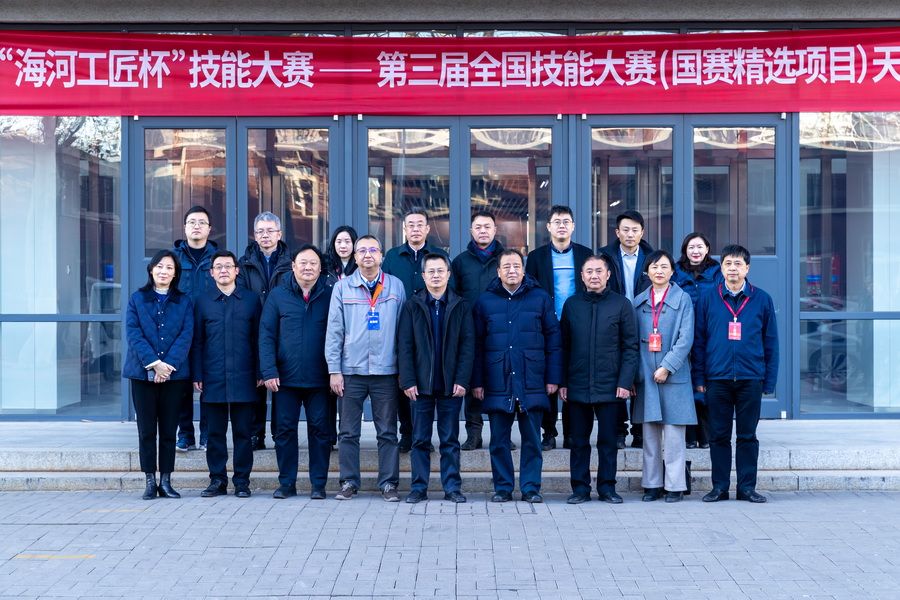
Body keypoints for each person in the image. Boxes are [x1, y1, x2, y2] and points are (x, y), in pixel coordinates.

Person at [472, 250, 562, 503]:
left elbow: (554, 340)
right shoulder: (485, 301)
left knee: (532, 439)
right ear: (498, 271)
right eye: (506, 267)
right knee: (498, 441)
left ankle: (531, 488)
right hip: (497, 379)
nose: (512, 271)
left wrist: (553, 377)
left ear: (523, 271)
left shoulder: (540, 298)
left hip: (532, 378)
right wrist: (477, 381)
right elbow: (476, 345)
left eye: (516, 266)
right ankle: (503, 488)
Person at [693, 244, 778, 504]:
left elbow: (771, 342)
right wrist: (699, 379)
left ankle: (746, 488)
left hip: (750, 378)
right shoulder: (708, 298)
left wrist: (769, 381)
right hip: (717, 379)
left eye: (738, 264)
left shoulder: (762, 299)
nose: (733, 268)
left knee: (747, 436)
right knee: (718, 436)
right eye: (728, 263)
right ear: (721, 268)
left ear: (747, 268)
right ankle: (719, 487)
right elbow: (699, 341)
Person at [326, 235, 406, 502]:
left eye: (373, 250)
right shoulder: (342, 288)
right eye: (362, 251)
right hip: (351, 371)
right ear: (355, 257)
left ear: (381, 255)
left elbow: (403, 332)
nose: (367, 255)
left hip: (386, 371)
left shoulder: (395, 286)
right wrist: (334, 370)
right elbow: (334, 331)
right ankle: (349, 481)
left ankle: (389, 484)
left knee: (387, 432)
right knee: (348, 432)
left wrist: (403, 371)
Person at [559, 254, 639, 504]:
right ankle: (580, 489)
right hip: (577, 384)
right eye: (589, 272)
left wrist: (625, 382)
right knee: (578, 441)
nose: (594, 276)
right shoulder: (572, 305)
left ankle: (607, 488)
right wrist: (563, 382)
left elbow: (630, 347)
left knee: (608, 441)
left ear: (608, 275)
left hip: (610, 385)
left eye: (598, 271)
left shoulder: (621, 304)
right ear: (582, 276)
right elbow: (563, 346)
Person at [398, 253, 474, 504]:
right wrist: (408, 380)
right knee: (420, 440)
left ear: (449, 274)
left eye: (440, 271)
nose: (436, 275)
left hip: (451, 385)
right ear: (423, 276)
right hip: (420, 386)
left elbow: (467, 346)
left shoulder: (461, 305)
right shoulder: (413, 305)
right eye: (430, 271)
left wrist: (462, 379)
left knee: (450, 440)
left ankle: (452, 487)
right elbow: (404, 346)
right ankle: (418, 488)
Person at [260, 245, 334, 500]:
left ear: (320, 268)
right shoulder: (278, 296)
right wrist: (268, 370)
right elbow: (266, 335)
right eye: (303, 262)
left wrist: (335, 372)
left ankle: (318, 484)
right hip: (285, 379)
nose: (308, 267)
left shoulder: (330, 295)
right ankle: (286, 483)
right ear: (293, 266)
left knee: (320, 433)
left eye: (313, 263)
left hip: (320, 379)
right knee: (284, 432)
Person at [123, 250, 193, 500]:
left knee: (169, 430)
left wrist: (168, 365)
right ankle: (150, 481)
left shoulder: (184, 301)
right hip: (142, 375)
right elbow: (133, 334)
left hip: (174, 376)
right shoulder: (137, 299)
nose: (164, 271)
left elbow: (186, 335)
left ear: (175, 274)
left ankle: (166, 480)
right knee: (146, 431)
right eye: (160, 267)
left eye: (169, 268)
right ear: (151, 270)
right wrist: (154, 364)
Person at [192, 250, 261, 499]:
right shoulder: (202, 302)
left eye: (228, 266)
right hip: (213, 377)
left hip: (244, 376)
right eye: (218, 267)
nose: (223, 270)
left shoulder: (251, 300)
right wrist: (197, 374)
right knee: (215, 434)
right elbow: (197, 341)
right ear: (211, 273)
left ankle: (242, 482)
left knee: (243, 434)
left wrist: (261, 371)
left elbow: (259, 339)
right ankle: (217, 480)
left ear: (236, 271)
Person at [383, 208, 450, 453]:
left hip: (431, 325)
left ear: (427, 229)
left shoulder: (438, 256)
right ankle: (407, 433)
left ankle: (426, 436)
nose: (415, 229)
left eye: (420, 224)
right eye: (410, 225)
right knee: (405, 379)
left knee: (427, 382)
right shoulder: (392, 257)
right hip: (399, 325)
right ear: (404, 229)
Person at [525, 204, 592, 451]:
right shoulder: (536, 257)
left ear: (573, 226)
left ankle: (572, 432)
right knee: (549, 377)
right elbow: (530, 291)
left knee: (573, 377)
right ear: (548, 227)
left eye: (566, 222)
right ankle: (549, 431)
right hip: (547, 325)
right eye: (557, 222)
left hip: (578, 324)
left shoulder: (585, 254)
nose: (561, 226)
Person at [632, 250, 696, 503]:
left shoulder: (683, 300)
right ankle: (652, 484)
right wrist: (638, 374)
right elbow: (632, 342)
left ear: (672, 271)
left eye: (664, 267)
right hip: (646, 376)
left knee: (673, 436)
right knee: (649, 435)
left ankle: (675, 485)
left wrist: (667, 366)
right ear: (647, 271)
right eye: (654, 267)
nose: (659, 271)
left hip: (674, 376)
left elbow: (685, 338)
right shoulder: (638, 302)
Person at [236, 211, 292, 452]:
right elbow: (240, 296)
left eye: (270, 231)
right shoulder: (244, 263)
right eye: (260, 231)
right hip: (254, 328)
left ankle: (280, 433)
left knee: (281, 385)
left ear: (279, 234)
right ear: (254, 235)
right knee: (256, 383)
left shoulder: (291, 262)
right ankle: (255, 433)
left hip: (285, 329)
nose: (265, 235)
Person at [599, 209, 653, 450]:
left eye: (635, 230)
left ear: (642, 233)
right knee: (617, 372)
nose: (630, 234)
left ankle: (639, 430)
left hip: (645, 320)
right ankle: (619, 430)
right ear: (617, 232)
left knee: (643, 374)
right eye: (626, 230)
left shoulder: (652, 257)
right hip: (615, 320)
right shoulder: (606, 257)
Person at [452, 210, 505, 451]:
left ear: (495, 230)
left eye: (487, 226)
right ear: (471, 231)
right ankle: (473, 433)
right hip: (470, 330)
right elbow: (454, 297)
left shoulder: (506, 258)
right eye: (478, 227)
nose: (483, 231)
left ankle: (501, 434)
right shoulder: (460, 262)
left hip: (501, 330)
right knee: (472, 382)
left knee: (500, 381)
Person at [172, 205, 217, 452]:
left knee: (208, 383)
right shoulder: (173, 258)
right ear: (185, 227)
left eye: (201, 222)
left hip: (211, 329)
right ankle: (185, 434)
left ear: (209, 229)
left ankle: (208, 434)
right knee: (181, 384)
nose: (196, 226)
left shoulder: (218, 259)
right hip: (180, 329)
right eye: (192, 222)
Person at [673, 232, 722, 450]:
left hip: (709, 335)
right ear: (685, 250)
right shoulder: (675, 272)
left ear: (707, 249)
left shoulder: (717, 272)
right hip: (682, 335)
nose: (695, 251)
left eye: (700, 247)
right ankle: (689, 435)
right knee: (685, 385)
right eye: (691, 247)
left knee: (706, 384)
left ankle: (707, 434)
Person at [323, 225, 358, 448]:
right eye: (339, 241)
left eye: (347, 241)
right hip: (329, 331)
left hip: (354, 334)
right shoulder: (325, 268)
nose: (343, 245)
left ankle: (348, 432)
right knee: (329, 387)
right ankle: (329, 435)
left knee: (349, 389)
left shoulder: (361, 269)